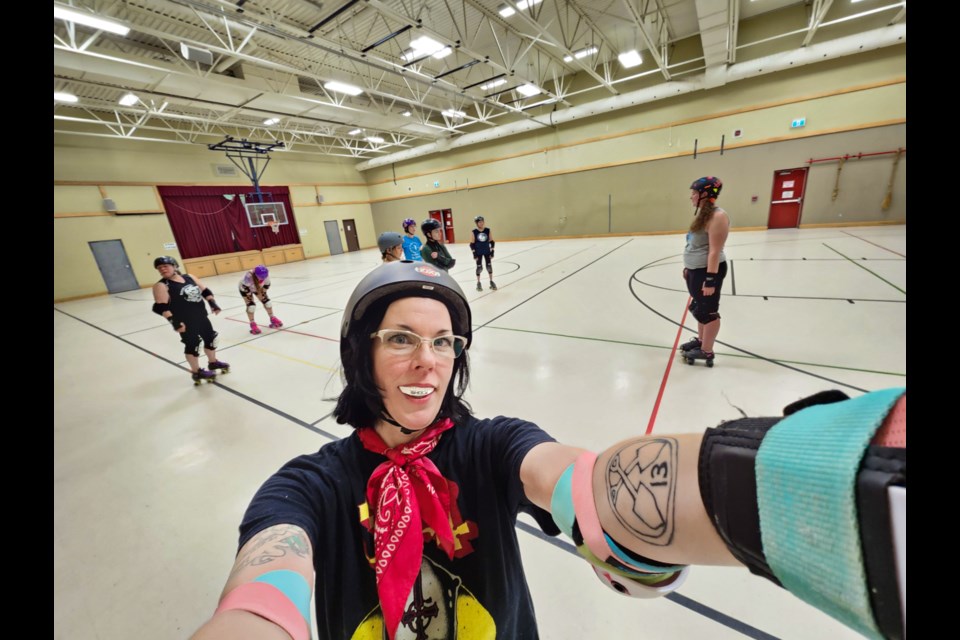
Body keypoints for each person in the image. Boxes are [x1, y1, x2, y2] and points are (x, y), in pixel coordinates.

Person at [191, 261, 906, 640]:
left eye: (443, 342)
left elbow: (578, 481)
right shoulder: (309, 485)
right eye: (401, 339)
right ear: (360, 355)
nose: (427, 363)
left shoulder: (488, 445)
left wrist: (816, 479)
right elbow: (266, 587)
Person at [151, 256, 229, 384]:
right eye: (159, 268)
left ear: (175, 266)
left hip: (201, 317)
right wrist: (174, 322)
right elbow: (160, 307)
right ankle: (196, 372)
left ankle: (213, 363)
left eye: (165, 266)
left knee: (211, 338)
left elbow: (205, 290)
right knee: (193, 345)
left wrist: (212, 303)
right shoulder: (161, 285)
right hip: (185, 322)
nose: (162, 269)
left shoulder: (189, 277)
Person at [681, 176, 730, 367]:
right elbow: (694, 245)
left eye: (694, 193)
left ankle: (707, 351)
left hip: (708, 271)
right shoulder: (703, 214)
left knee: (708, 312)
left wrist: (710, 279)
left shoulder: (718, 216)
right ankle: (701, 341)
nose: (691, 197)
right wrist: (688, 268)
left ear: (705, 195)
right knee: (699, 308)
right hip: (696, 270)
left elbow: (714, 251)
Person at [239, 265, 283, 335]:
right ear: (256, 274)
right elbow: (245, 288)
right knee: (251, 306)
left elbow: (267, 285)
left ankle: (272, 318)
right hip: (245, 288)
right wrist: (250, 300)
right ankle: (252, 323)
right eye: (261, 276)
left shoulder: (266, 275)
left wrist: (263, 295)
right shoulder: (249, 276)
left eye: (264, 276)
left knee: (267, 302)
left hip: (257, 287)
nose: (263, 278)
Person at [469, 215, 496, 292]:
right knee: (479, 268)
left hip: (487, 251)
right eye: (479, 222)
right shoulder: (474, 231)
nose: (481, 223)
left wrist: (492, 251)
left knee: (489, 266)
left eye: (482, 222)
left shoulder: (487, 230)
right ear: (476, 223)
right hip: (478, 252)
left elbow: (492, 242)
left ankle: (491, 281)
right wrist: (474, 254)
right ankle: (478, 282)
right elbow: (472, 244)